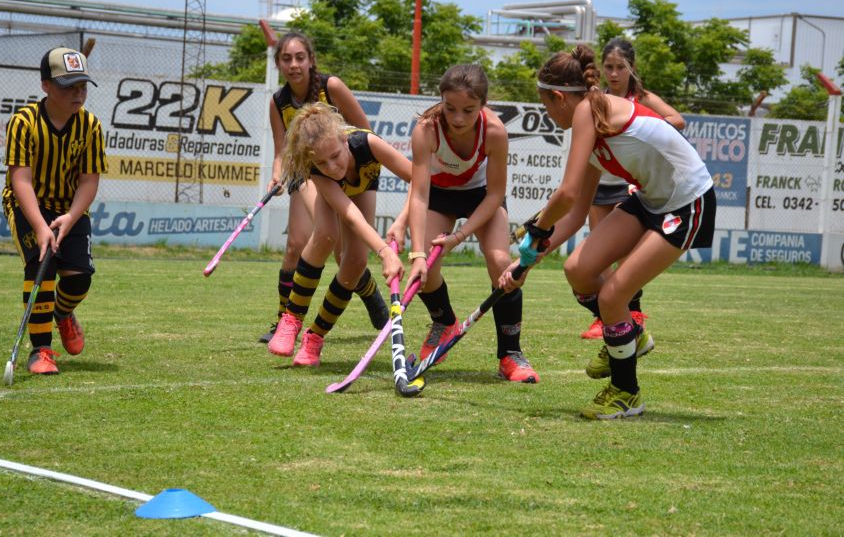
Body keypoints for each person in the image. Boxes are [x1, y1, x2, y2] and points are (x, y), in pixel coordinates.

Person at [501, 45, 715, 419]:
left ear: (557, 97)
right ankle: (629, 333)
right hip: (651, 200)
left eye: (547, 107)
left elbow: (564, 194)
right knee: (578, 270)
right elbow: (577, 210)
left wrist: (535, 230)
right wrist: (526, 263)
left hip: (688, 201)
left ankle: (626, 393)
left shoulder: (587, 110)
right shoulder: (594, 118)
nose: (549, 116)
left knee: (614, 294)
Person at [398, 64, 539, 384]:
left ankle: (510, 354)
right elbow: (418, 194)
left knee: (502, 263)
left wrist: (460, 235)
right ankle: (443, 321)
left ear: (483, 105)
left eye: (468, 110)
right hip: (440, 194)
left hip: (481, 197)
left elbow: (495, 194)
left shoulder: (494, 131)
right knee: (426, 269)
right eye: (450, 108)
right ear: (441, 102)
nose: (458, 118)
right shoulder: (427, 129)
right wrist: (418, 254)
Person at [260, 31, 388, 344]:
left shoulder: (331, 87)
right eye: (286, 58)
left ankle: (369, 291)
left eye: (299, 57)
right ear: (278, 64)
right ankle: (283, 320)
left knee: (343, 250)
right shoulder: (278, 102)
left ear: (311, 60)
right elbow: (281, 149)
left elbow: (364, 132)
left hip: (343, 169)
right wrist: (277, 174)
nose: (293, 64)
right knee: (298, 243)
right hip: (305, 172)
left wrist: (346, 170)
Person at [267, 102, 412, 367]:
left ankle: (315, 337)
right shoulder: (319, 170)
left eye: (335, 155)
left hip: (362, 181)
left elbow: (418, 180)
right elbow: (350, 216)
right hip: (328, 187)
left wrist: (402, 221)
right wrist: (385, 252)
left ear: (344, 140)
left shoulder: (369, 144)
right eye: (323, 162)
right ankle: (292, 318)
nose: (332, 165)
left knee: (356, 262)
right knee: (326, 233)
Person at [2, 46, 107, 376]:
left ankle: (62, 314)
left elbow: (89, 181)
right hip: (29, 204)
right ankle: (41, 350)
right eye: (68, 87)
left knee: (80, 280)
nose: (78, 94)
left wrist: (70, 218)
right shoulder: (23, 122)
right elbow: (21, 180)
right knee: (40, 268)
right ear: (46, 85)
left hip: (70, 207)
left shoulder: (90, 126)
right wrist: (41, 226)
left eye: (82, 87)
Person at [577, 37, 686, 340]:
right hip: (600, 183)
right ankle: (604, 316)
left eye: (619, 67)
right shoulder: (596, 99)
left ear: (631, 68)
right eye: (608, 67)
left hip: (629, 186)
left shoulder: (643, 98)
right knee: (598, 254)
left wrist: (645, 129)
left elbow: (678, 120)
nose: (613, 73)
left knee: (625, 258)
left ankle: (632, 311)